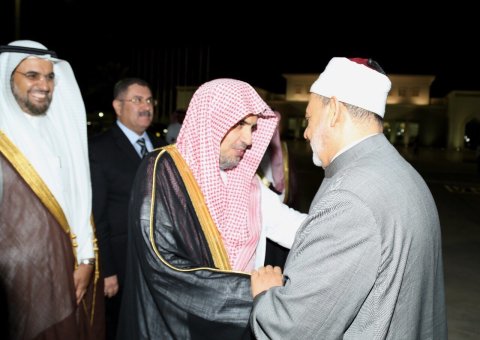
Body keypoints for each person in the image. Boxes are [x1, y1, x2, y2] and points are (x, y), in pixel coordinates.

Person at [250, 57, 448, 339]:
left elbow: (295, 329)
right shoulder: (404, 173)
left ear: (334, 112)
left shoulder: (348, 196)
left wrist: (266, 295)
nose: (305, 133)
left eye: (308, 118)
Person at [117, 78, 306, 339]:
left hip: (241, 324)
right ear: (210, 120)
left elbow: (296, 228)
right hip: (182, 325)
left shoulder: (248, 183)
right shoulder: (163, 170)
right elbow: (162, 263)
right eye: (240, 125)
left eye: (252, 128)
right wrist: (250, 290)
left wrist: (348, 225)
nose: (248, 139)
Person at [0, 40, 104, 339]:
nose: (43, 84)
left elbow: (79, 201)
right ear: (9, 77)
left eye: (49, 77)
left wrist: (86, 259)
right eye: (32, 75)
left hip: (71, 268)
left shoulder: (62, 133)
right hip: (18, 282)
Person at [89, 77, 166, 340]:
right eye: (137, 100)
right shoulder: (99, 149)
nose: (146, 106)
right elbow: (96, 215)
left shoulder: (161, 145)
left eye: (149, 100)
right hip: (120, 260)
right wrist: (107, 270)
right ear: (117, 106)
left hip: (157, 258)